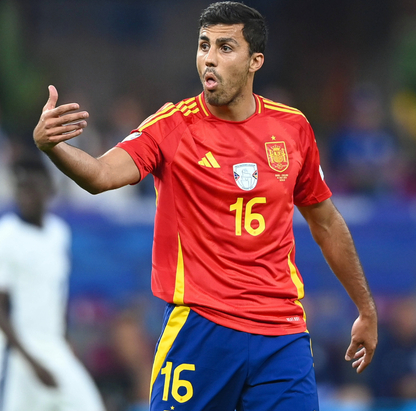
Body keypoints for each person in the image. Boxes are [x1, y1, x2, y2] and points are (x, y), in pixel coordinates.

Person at [33, 2, 377, 410]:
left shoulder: (292, 128)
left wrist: (365, 308)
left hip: (281, 333)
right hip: (201, 328)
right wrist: (52, 147)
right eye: (203, 45)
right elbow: (100, 175)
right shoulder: (172, 126)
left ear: (255, 61)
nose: (209, 58)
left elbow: (326, 223)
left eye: (225, 47)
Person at [0, 158, 104, 411]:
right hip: (14, 353)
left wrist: (64, 340)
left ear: (49, 190)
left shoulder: (59, 232)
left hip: (53, 347)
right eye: (20, 188)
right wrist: (32, 363)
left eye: (32, 188)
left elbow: (57, 293)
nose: (26, 196)